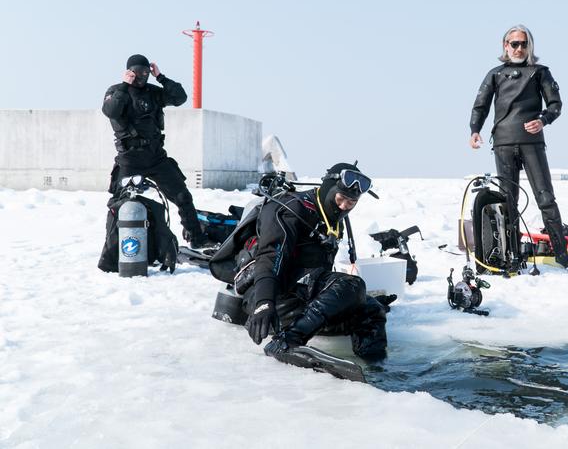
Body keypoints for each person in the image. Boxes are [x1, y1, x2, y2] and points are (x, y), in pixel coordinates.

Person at [241, 163, 388, 363]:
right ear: (329, 189)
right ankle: (287, 341)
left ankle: (375, 370)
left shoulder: (331, 217)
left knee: (372, 310)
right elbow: (269, 257)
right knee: (353, 284)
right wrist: (264, 302)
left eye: (351, 203)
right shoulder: (291, 209)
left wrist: (357, 300)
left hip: (302, 299)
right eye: (341, 199)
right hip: (273, 300)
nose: (344, 206)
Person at [470, 25, 568, 270]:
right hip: (503, 143)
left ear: (530, 46)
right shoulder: (495, 74)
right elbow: (480, 106)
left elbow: (555, 104)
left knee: (546, 199)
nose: (518, 48)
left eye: (523, 43)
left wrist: (543, 120)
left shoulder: (539, 72)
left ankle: (562, 255)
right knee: (509, 202)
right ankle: (512, 255)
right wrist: (474, 130)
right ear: (505, 46)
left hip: (532, 144)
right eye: (514, 43)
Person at [101, 54, 206, 249]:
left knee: (183, 197)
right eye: (137, 72)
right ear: (129, 71)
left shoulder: (153, 92)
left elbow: (180, 97)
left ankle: (197, 240)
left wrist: (161, 77)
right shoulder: (116, 91)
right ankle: (113, 250)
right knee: (119, 203)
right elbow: (111, 111)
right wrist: (125, 85)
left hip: (156, 157)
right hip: (130, 159)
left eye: (145, 72)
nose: (142, 76)